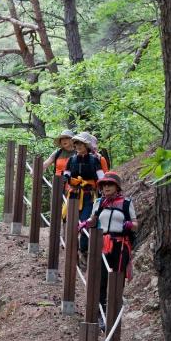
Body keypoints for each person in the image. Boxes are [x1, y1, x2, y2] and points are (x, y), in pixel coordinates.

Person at [82, 171, 138, 313]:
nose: (106, 187)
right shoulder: (99, 202)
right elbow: (93, 220)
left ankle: (114, 310)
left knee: (118, 277)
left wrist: (130, 225)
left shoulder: (126, 203)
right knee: (101, 278)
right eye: (104, 185)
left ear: (117, 187)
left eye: (110, 184)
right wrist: (85, 223)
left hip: (121, 245)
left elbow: (135, 224)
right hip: (102, 244)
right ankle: (100, 311)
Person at [63, 132, 105, 266]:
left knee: (85, 223)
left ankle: (84, 251)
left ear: (86, 145)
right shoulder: (71, 160)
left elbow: (101, 178)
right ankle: (72, 252)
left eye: (81, 143)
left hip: (88, 196)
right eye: (76, 143)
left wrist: (102, 192)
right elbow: (66, 175)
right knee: (71, 222)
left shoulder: (94, 160)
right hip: (74, 195)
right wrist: (68, 179)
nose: (78, 146)